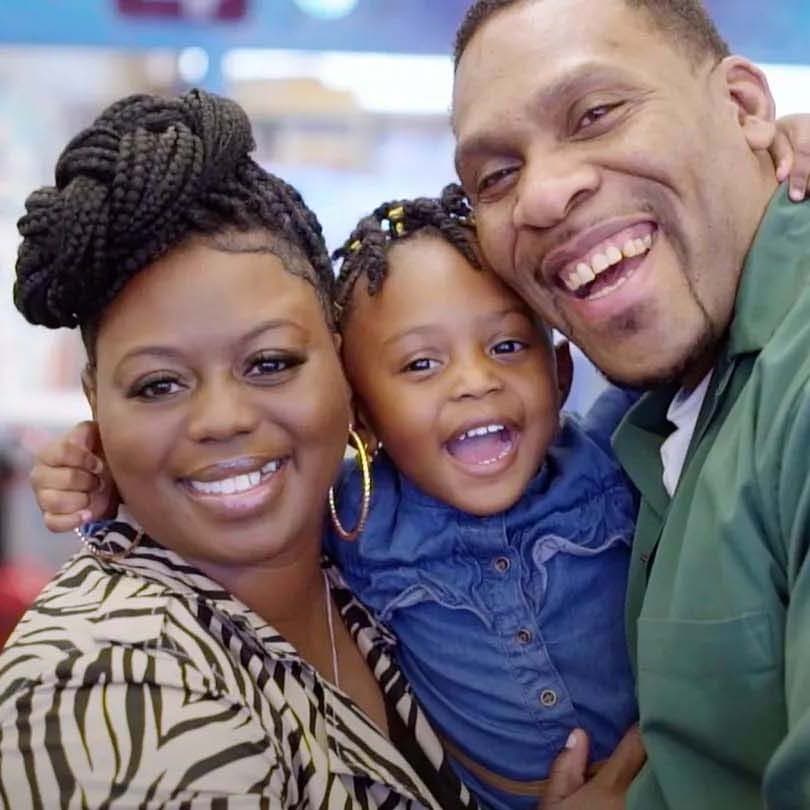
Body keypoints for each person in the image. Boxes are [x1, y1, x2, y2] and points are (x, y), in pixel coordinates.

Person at [0, 88, 479, 809]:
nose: (221, 419)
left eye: (271, 363)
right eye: (159, 385)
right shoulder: (113, 682)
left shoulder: (373, 558)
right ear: (97, 405)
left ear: (344, 365)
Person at [451, 0, 810, 808]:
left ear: (745, 108)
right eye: (495, 176)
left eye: (596, 114)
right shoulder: (629, 426)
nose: (541, 195)